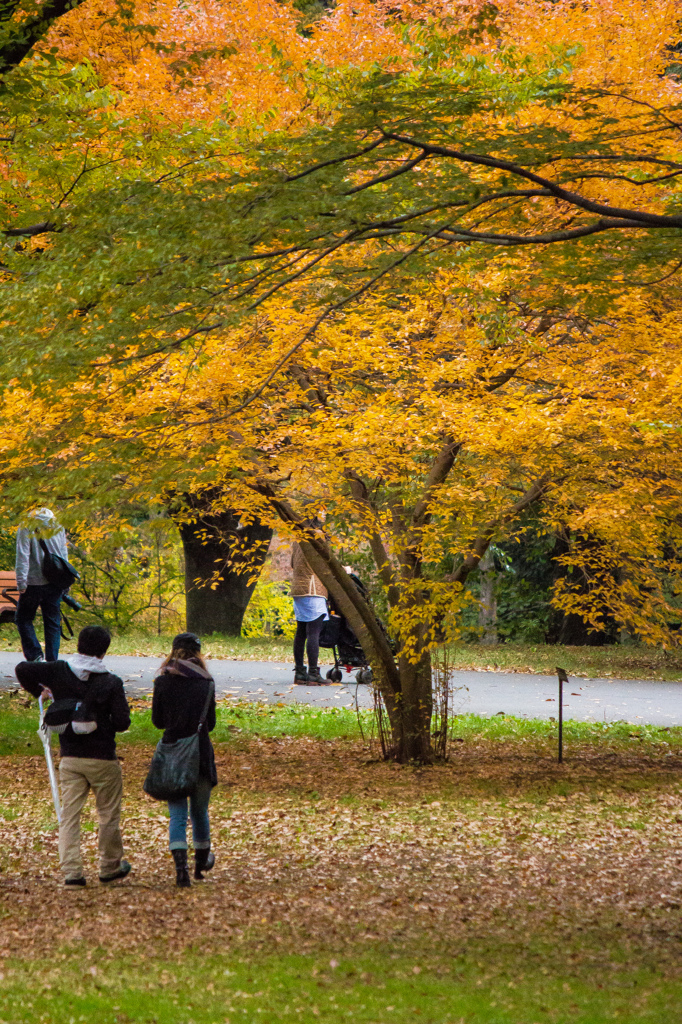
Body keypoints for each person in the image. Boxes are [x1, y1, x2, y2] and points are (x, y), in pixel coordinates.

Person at [15, 625, 131, 887]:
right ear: (104, 651)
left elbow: (22, 668)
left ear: (78, 644)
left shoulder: (58, 670)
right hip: (103, 757)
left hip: (70, 757)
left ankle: (72, 872)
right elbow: (123, 722)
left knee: (69, 816)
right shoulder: (111, 681)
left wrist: (40, 692)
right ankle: (109, 866)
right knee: (108, 815)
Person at [151, 632, 217, 887]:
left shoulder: (163, 681)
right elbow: (210, 724)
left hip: (172, 754)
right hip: (199, 753)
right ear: (198, 653)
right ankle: (201, 864)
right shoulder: (207, 682)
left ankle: (181, 871)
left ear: (173, 651)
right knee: (200, 812)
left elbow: (157, 722)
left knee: (177, 814)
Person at [15, 507, 68, 662]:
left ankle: (36, 655)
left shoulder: (26, 526)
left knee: (23, 618)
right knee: (52, 623)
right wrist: (64, 580)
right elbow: (63, 555)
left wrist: (21, 582)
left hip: (32, 583)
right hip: (55, 582)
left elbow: (23, 556)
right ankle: (52, 661)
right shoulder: (57, 526)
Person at [290, 538, 329, 685]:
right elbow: (325, 564)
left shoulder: (297, 539)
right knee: (313, 632)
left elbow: (293, 564)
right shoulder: (317, 538)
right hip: (313, 590)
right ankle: (313, 673)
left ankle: (300, 672)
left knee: (301, 632)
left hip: (298, 589)